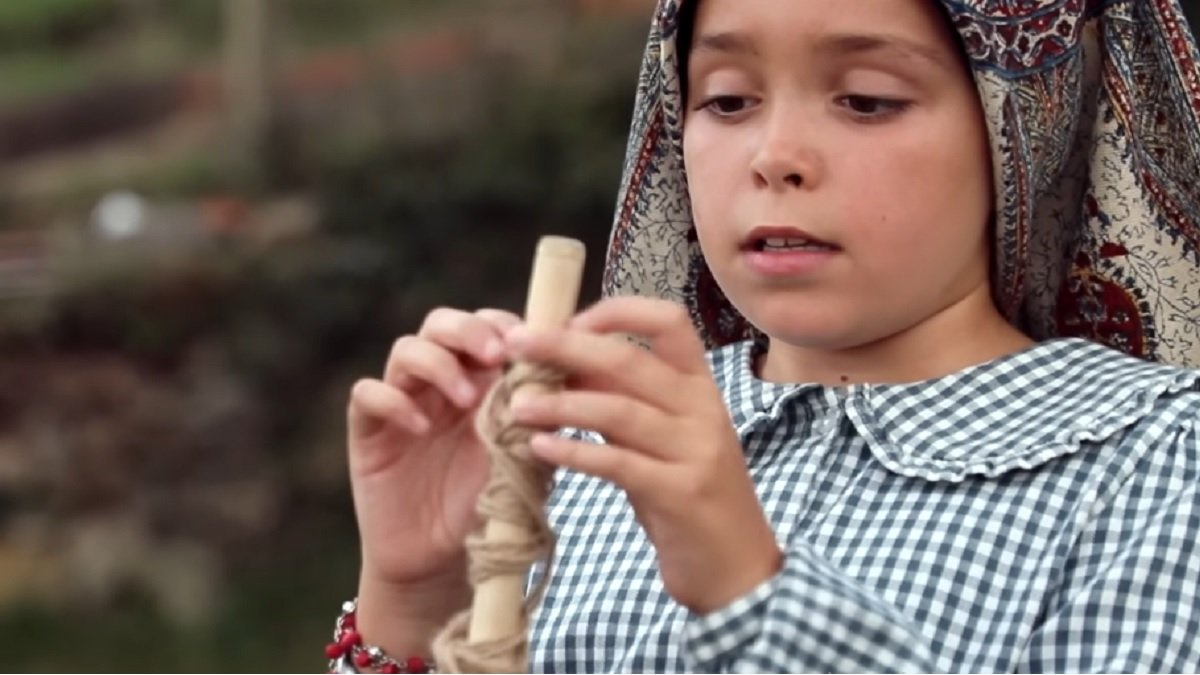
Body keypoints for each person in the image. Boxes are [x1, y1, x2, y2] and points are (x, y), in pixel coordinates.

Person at [334, 0, 1200, 671]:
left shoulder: (1156, 460)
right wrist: (411, 598)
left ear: (1026, 127)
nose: (775, 155)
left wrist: (752, 590)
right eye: (728, 100)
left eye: (867, 100)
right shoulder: (584, 443)